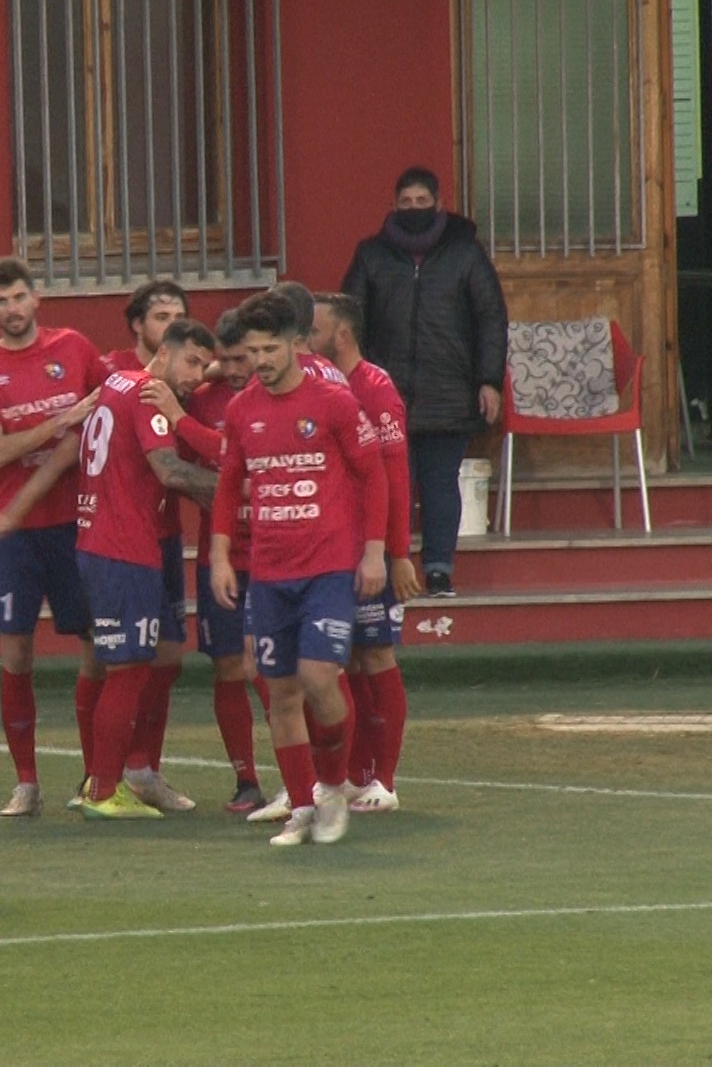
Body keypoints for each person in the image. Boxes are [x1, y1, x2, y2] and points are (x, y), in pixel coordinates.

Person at [211, 292, 386, 846]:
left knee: (317, 678)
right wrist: (219, 555)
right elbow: (227, 486)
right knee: (281, 693)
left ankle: (332, 786)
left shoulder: (333, 401)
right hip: (268, 572)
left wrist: (376, 551)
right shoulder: (241, 411)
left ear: (295, 345)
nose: (260, 361)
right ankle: (303, 806)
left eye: (269, 349)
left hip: (328, 567)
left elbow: (373, 475)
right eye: (252, 351)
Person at [0, 258, 106, 816]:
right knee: (16, 651)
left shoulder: (75, 348)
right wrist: (61, 422)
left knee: (95, 646)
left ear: (36, 297)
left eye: (20, 296)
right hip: (11, 533)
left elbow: (107, 412)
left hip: (76, 522)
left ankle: (96, 775)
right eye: (2, 301)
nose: (13, 308)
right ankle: (27, 782)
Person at [74, 320, 219, 819]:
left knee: (162, 659)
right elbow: (169, 470)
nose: (197, 376)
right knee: (128, 668)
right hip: (121, 547)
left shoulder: (118, 382)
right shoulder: (146, 394)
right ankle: (102, 789)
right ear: (164, 352)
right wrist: (243, 487)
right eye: (191, 362)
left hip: (132, 541)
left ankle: (136, 774)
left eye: (204, 366)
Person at [341, 166, 508, 597]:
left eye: (421, 201)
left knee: (439, 484)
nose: (413, 208)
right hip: (384, 395)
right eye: (406, 202)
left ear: (439, 205)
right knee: (388, 485)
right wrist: (352, 383)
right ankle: (388, 565)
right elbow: (348, 320)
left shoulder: (465, 253)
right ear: (393, 205)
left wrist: (489, 380)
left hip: (449, 391)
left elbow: (491, 318)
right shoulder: (371, 255)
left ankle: (438, 570)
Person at [149, 308, 267, 813]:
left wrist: (181, 421)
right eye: (228, 360)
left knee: (272, 669)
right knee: (228, 667)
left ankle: (307, 780)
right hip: (220, 554)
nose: (237, 369)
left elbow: (235, 456)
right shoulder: (201, 397)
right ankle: (247, 780)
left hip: (274, 553)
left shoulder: (275, 396)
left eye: (246, 358)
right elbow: (183, 466)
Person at [311, 292, 417, 812]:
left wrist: (396, 553)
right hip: (338, 547)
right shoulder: (328, 387)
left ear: (342, 334)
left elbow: (394, 475)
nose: (307, 340)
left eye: (315, 331)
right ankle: (357, 773)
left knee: (376, 653)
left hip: (370, 550)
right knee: (348, 656)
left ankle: (386, 780)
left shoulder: (375, 389)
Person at [107, 278, 190, 371]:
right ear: (138, 324)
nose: (174, 326)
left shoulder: (194, 370)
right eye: (162, 318)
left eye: (179, 318)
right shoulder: (113, 368)